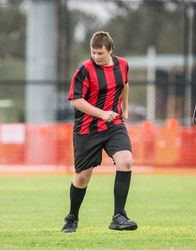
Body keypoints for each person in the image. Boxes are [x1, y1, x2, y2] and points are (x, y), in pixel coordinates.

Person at [61, 31, 138, 233]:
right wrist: (102, 114)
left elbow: (125, 84)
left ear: (110, 50)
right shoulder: (84, 70)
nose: (96, 56)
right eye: (93, 52)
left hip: (113, 125)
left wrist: (125, 108)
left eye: (100, 53)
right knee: (83, 176)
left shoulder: (122, 65)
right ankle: (71, 218)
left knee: (126, 161)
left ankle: (119, 216)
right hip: (87, 128)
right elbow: (76, 100)